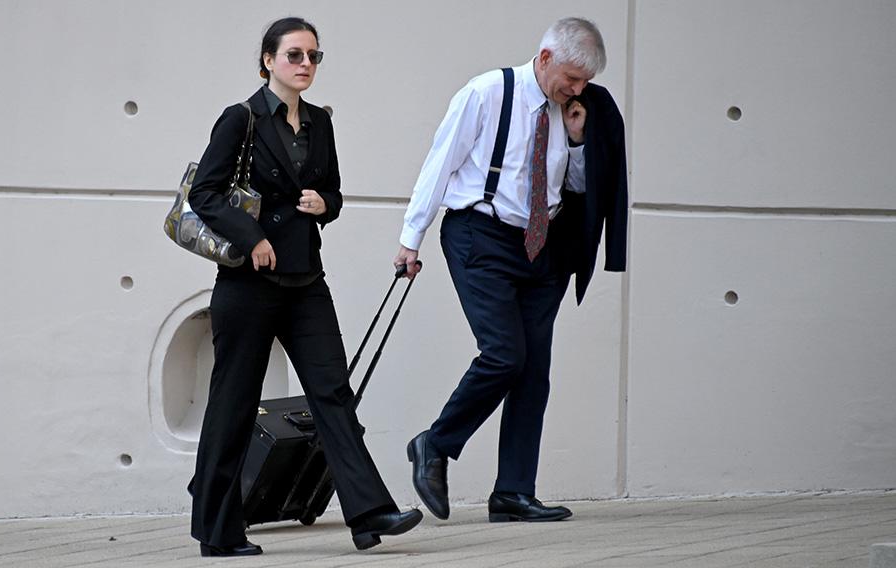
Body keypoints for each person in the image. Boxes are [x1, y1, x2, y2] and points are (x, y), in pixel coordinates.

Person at [187, 17, 421, 556]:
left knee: (333, 393)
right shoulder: (240, 118)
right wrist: (250, 239)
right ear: (268, 60)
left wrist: (326, 205)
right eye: (294, 55)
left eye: (314, 56)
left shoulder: (320, 122)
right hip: (249, 284)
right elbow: (206, 193)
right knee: (234, 403)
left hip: (306, 279)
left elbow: (333, 193)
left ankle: (369, 513)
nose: (306, 65)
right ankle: (219, 532)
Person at [395, 17, 628, 523]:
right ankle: (433, 445)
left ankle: (513, 492)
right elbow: (439, 164)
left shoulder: (571, 110)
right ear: (544, 58)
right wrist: (410, 239)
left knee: (534, 371)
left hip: (544, 248)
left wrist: (579, 140)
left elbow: (583, 190)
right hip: (481, 235)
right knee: (504, 354)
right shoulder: (487, 93)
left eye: (585, 81)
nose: (577, 89)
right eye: (571, 77)